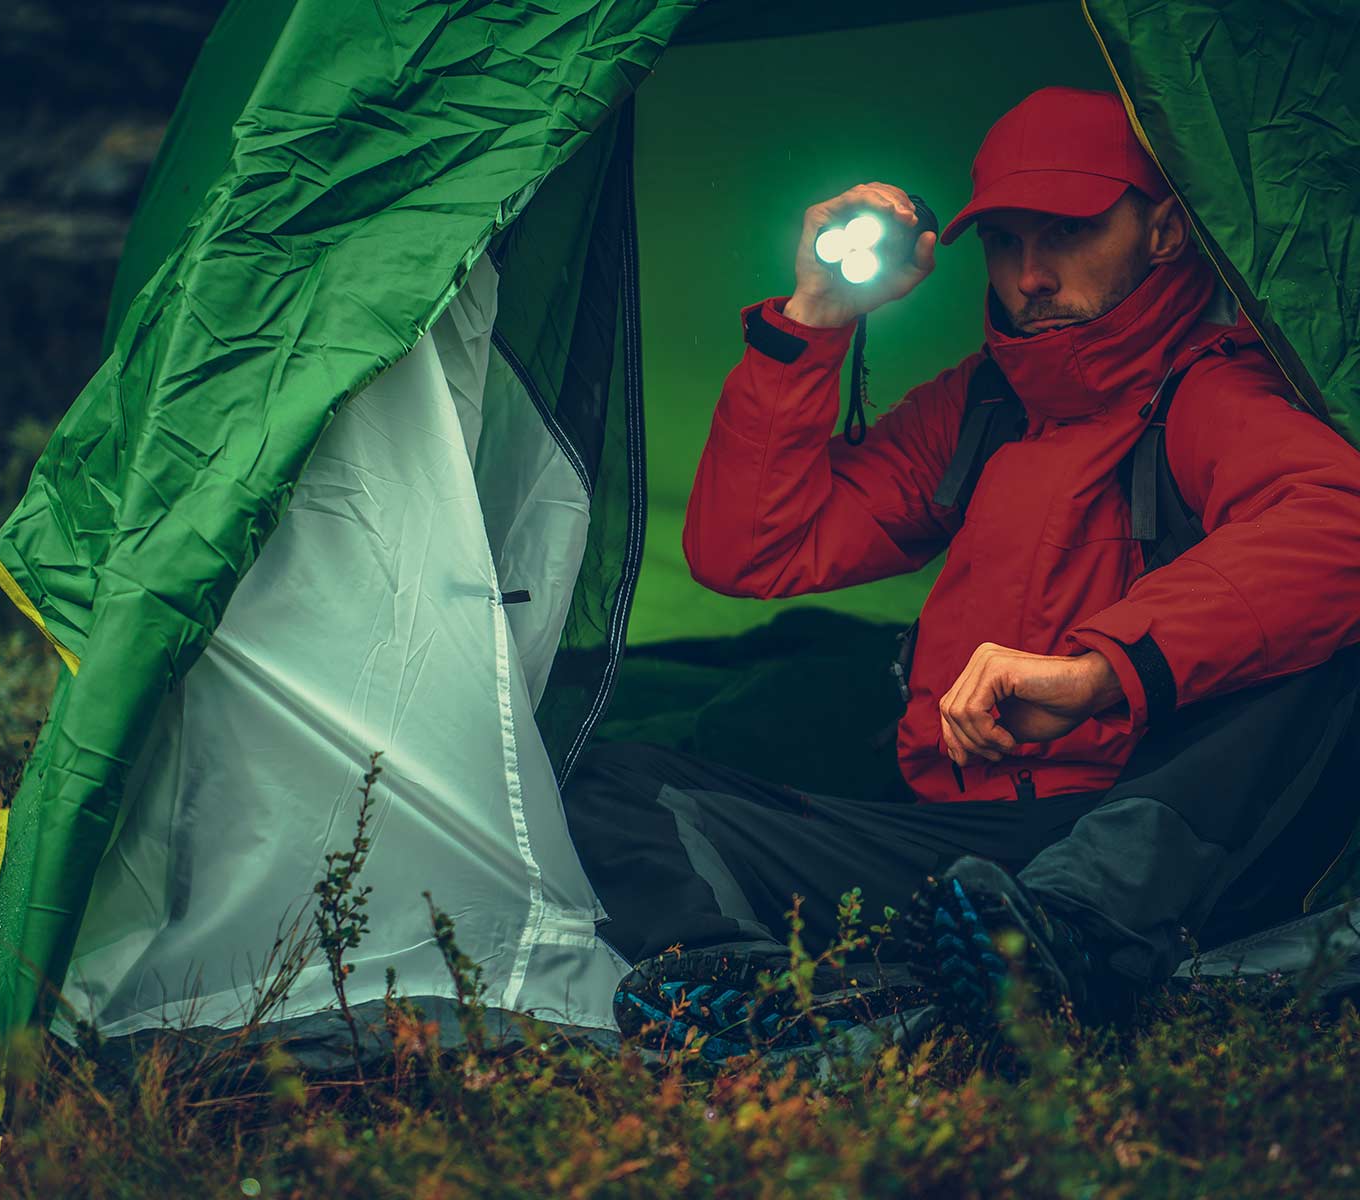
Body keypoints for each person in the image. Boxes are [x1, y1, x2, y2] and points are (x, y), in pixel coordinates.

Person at [560, 86, 1360, 1059]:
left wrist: (1095, 671)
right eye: (1008, 241)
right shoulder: (987, 404)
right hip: (948, 852)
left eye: (1067, 233)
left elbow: (1338, 520)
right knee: (606, 781)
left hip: (1112, 836)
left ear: (1163, 232)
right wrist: (814, 322)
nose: (1030, 274)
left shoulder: (1210, 388)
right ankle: (782, 1005)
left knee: (1329, 648)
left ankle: (1063, 944)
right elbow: (751, 548)